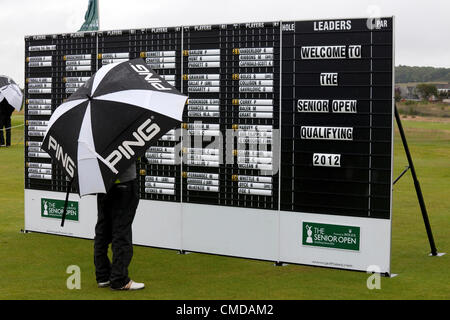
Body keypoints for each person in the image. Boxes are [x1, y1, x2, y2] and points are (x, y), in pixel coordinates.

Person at [94, 162, 145, 290]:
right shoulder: (127, 139)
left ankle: (103, 276)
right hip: (125, 183)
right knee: (121, 231)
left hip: (103, 183)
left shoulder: (92, 141)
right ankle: (119, 279)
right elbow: (136, 150)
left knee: (103, 231)